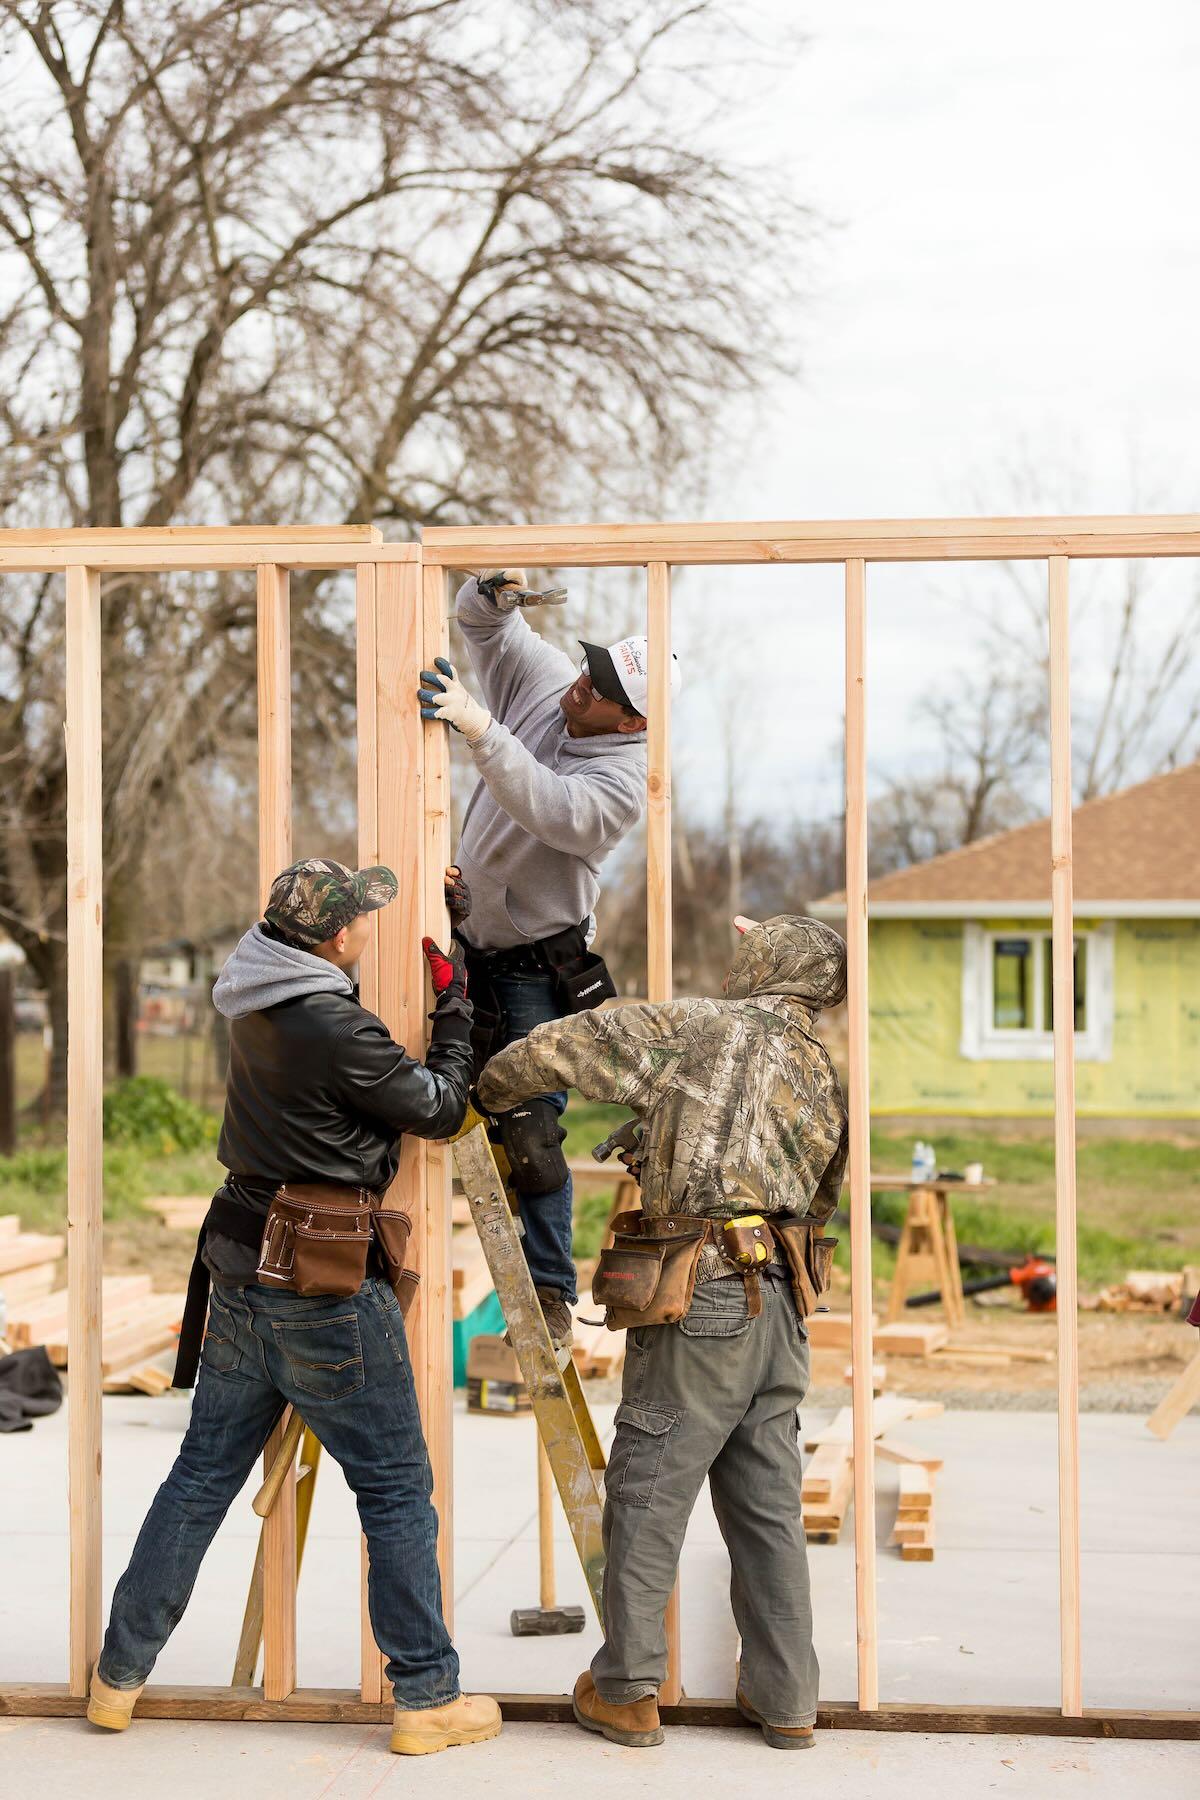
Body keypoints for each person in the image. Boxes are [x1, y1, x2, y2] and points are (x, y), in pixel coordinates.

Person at [87, 858, 501, 1758]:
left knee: (200, 1479)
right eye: (355, 920)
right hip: (321, 1283)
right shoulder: (332, 1025)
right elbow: (436, 1105)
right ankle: (427, 1698)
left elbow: (333, 1086)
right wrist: (456, 1002)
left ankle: (117, 1678)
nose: (363, 928)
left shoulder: (254, 994)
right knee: (395, 1490)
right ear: (334, 938)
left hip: (241, 1266)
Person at [477, 914, 849, 1752]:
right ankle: (788, 1702)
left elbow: (566, 1045)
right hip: (783, 1304)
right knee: (767, 1511)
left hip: (701, 1302)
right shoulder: (822, 1070)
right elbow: (823, 1197)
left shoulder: (698, 1028)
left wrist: (483, 1087)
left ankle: (628, 1690)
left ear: (767, 964)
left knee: (647, 1496)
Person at [418, 569, 681, 1348]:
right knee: (414, 1098)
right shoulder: (553, 683)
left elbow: (549, 806)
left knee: (531, 1131)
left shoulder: (623, 781)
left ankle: (550, 1295)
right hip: (467, 943)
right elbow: (484, 628)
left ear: (633, 723)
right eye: (589, 670)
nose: (579, 689)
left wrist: (476, 724)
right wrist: (495, 592)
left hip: (538, 966)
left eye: (600, 691)